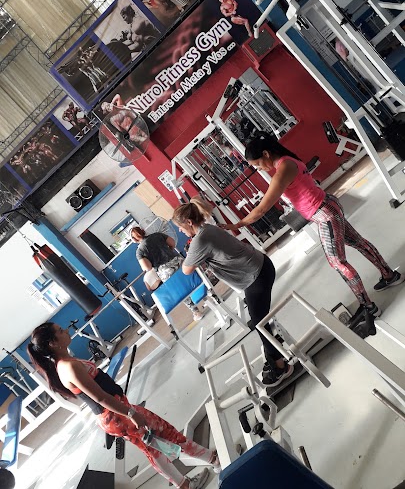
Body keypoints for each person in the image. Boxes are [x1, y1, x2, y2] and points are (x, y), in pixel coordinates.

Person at [222, 132, 403, 319]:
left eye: (258, 164)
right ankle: (390, 276)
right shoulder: (287, 160)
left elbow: (261, 209)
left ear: (266, 154)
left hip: (324, 215)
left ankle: (368, 307)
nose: (259, 168)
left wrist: (238, 224)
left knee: (337, 262)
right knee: (358, 243)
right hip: (327, 207)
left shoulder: (283, 169)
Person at [27, 323, 219, 489]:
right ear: (53, 343)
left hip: (116, 413)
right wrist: (131, 413)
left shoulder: (65, 363)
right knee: (166, 434)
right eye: (61, 331)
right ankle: (213, 460)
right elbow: (100, 397)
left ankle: (185, 483)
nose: (66, 331)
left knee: (153, 447)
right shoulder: (68, 367)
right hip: (116, 415)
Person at [172, 203, 293, 387]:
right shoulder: (209, 228)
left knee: (260, 325)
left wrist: (191, 253)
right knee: (259, 319)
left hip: (255, 278)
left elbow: (186, 270)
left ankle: (280, 366)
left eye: (180, 227)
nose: (180, 231)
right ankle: (275, 351)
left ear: (189, 222)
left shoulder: (199, 240)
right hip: (262, 265)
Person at [131, 226, 203, 321]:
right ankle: (210, 294)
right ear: (143, 231)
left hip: (166, 271)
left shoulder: (139, 251)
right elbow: (172, 243)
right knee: (194, 278)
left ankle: (196, 311)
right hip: (178, 261)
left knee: (181, 290)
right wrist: (169, 252)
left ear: (134, 239)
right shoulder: (157, 235)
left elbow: (147, 267)